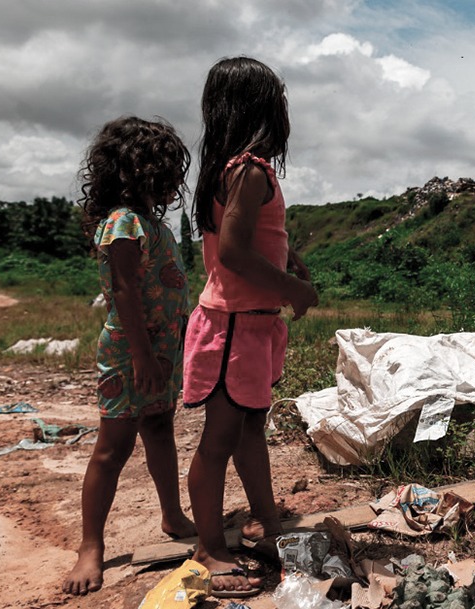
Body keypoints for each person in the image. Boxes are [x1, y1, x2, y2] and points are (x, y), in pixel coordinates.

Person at [184, 56, 319, 599]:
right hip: (234, 327)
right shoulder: (248, 171)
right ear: (262, 110)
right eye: (279, 101)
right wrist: (295, 290)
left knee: (250, 428)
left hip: (249, 326)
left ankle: (265, 516)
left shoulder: (240, 170)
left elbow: (255, 243)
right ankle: (209, 546)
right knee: (218, 440)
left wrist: (291, 266)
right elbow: (237, 255)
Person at [62, 116, 197, 595]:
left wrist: (163, 351)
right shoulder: (123, 221)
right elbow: (123, 291)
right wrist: (141, 355)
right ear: (138, 172)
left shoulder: (152, 224)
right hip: (129, 350)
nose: (173, 183)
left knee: (160, 429)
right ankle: (90, 547)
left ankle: (172, 515)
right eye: (166, 173)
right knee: (112, 448)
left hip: (158, 349)